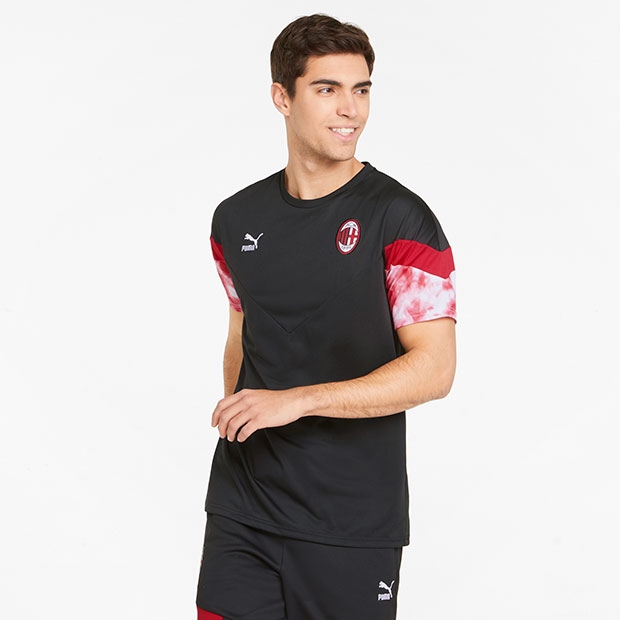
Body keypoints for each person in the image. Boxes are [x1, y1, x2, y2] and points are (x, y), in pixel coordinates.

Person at [196, 13, 457, 620]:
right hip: (243, 506)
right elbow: (242, 331)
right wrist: (243, 410)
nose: (350, 110)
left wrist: (297, 401)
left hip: (350, 519)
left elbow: (435, 368)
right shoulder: (234, 220)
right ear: (281, 97)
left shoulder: (402, 220)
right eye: (327, 89)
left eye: (361, 89)